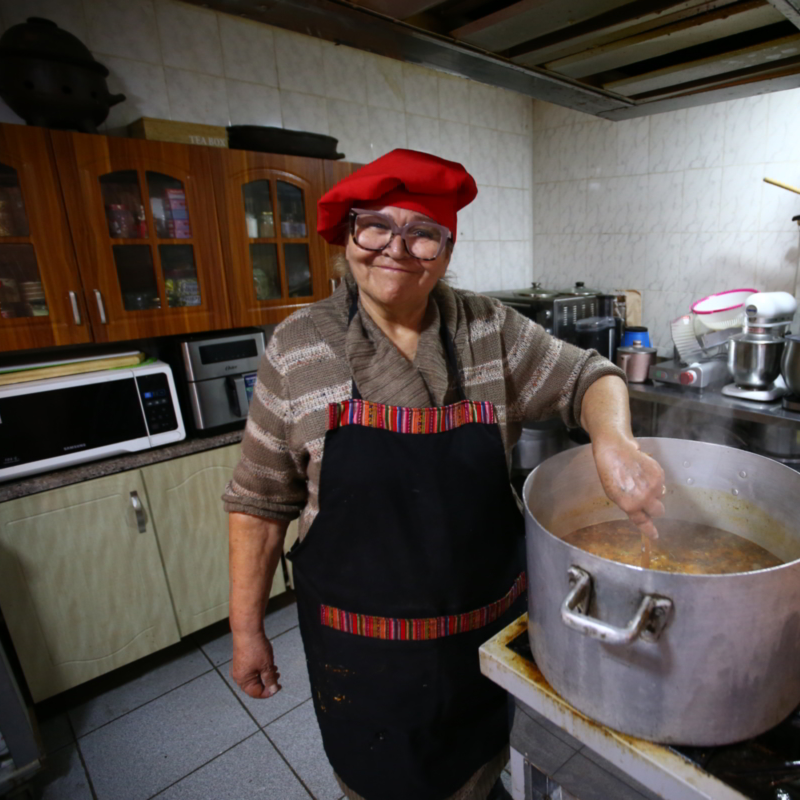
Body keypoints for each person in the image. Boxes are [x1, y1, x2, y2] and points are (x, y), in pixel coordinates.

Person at [223, 148, 665, 800]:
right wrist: (246, 631)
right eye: (376, 226)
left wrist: (614, 441)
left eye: (423, 233)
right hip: (361, 654)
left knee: (479, 771)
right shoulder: (298, 348)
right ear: (347, 235)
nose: (396, 249)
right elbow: (259, 504)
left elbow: (589, 376)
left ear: (447, 249)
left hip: (483, 639)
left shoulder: (489, 329)